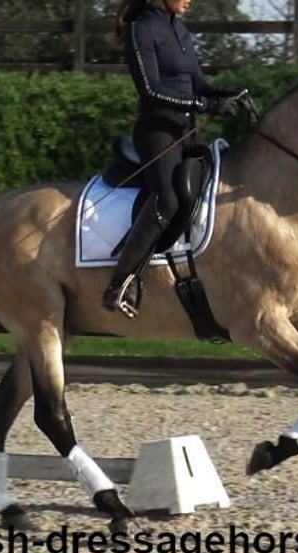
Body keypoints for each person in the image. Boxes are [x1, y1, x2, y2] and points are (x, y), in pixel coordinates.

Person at [102, 0, 247, 319]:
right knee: (166, 199)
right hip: (157, 131)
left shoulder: (178, 29)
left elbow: (199, 83)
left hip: (185, 130)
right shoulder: (140, 30)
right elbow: (151, 91)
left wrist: (225, 94)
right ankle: (121, 282)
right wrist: (204, 105)